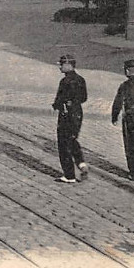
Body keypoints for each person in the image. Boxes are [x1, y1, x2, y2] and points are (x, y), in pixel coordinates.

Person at [52, 54, 88, 183]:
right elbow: (84, 98)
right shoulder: (81, 79)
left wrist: (57, 105)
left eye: (61, 64)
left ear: (68, 65)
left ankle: (69, 175)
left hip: (66, 115)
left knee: (63, 144)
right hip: (78, 113)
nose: (60, 67)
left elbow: (59, 99)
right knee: (72, 139)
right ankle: (81, 163)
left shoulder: (65, 81)